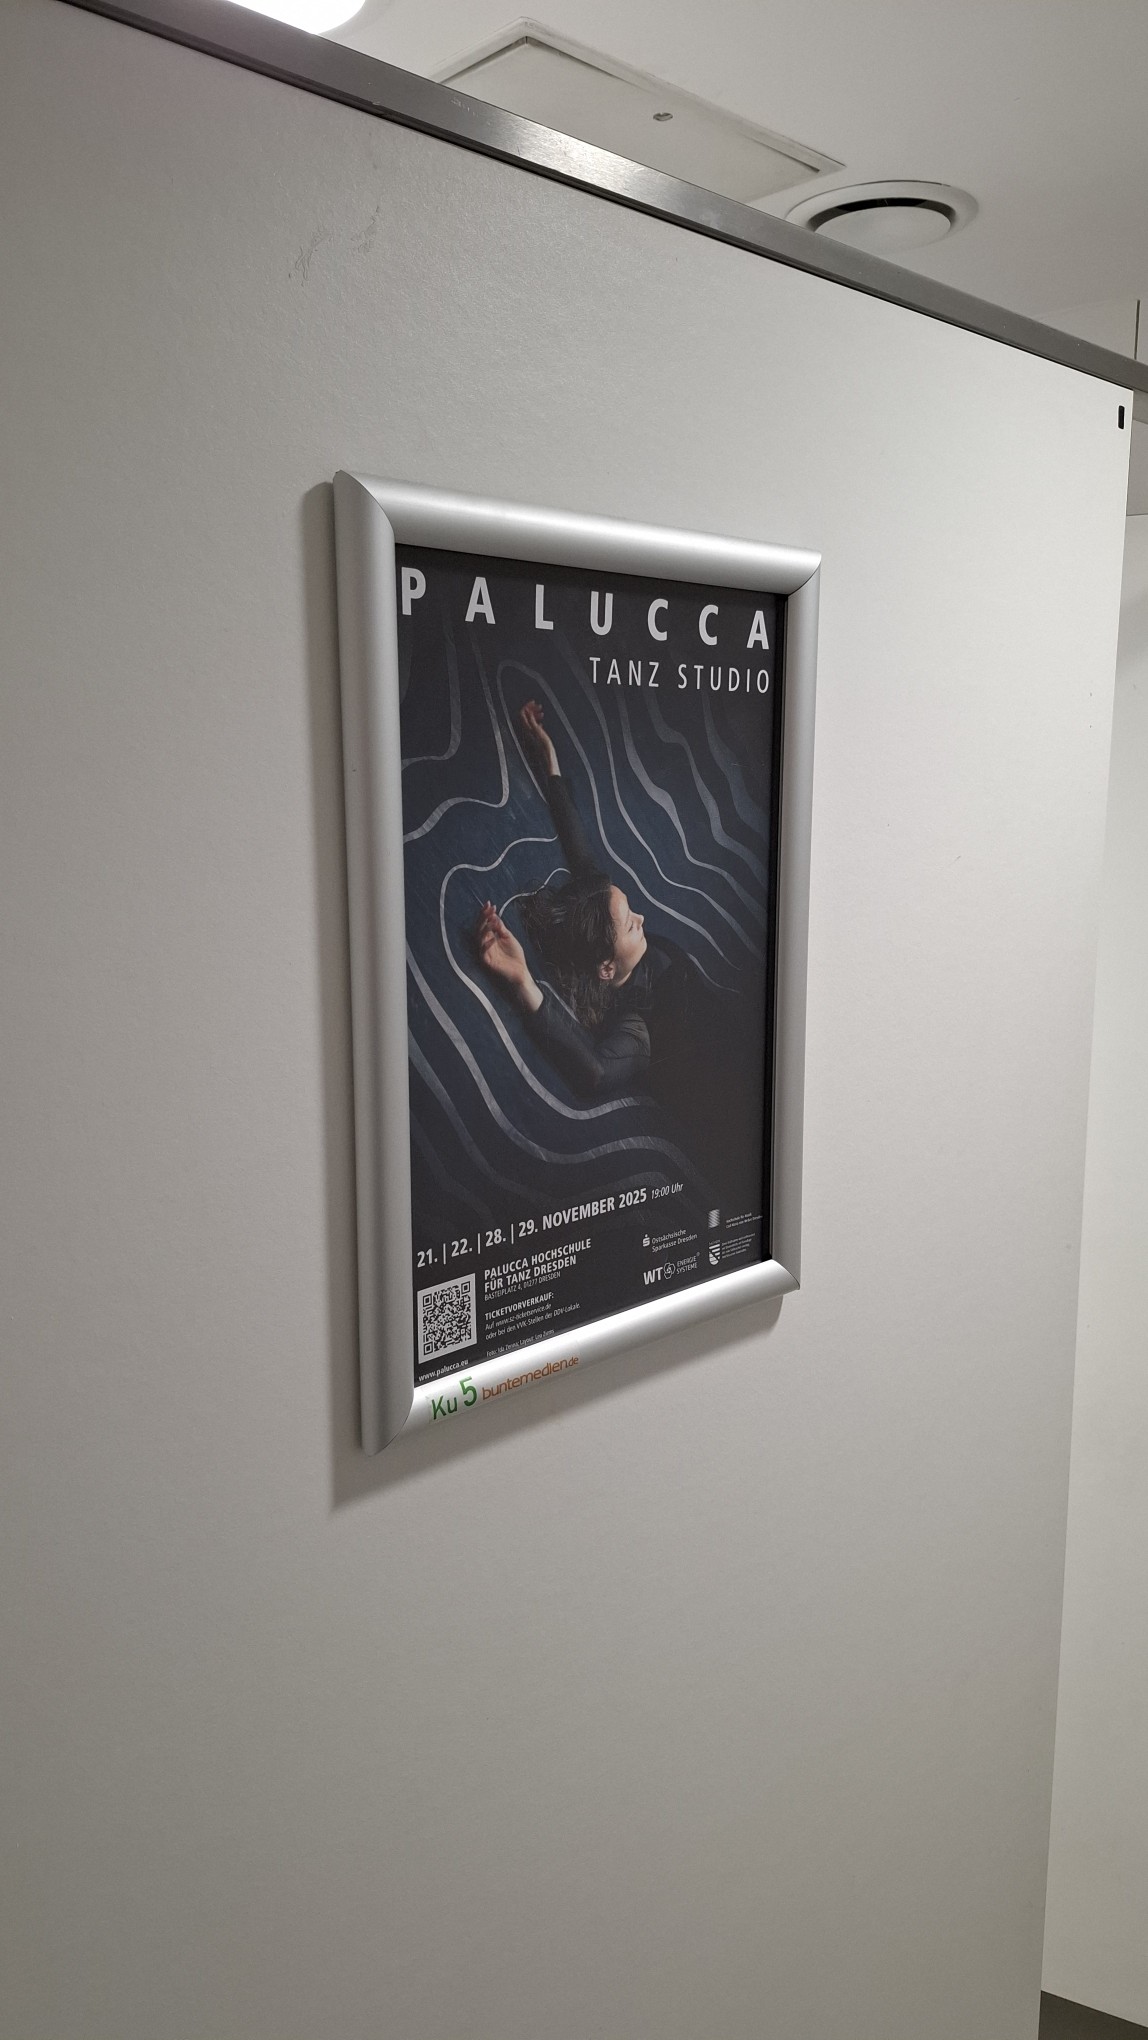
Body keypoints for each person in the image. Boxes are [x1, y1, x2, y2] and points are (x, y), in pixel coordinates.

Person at [476, 702, 732, 1134]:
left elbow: (578, 848)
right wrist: (523, 982)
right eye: (631, 923)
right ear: (607, 968)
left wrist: (549, 758)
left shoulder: (596, 914)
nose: (642, 917)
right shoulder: (638, 1023)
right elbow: (594, 1073)